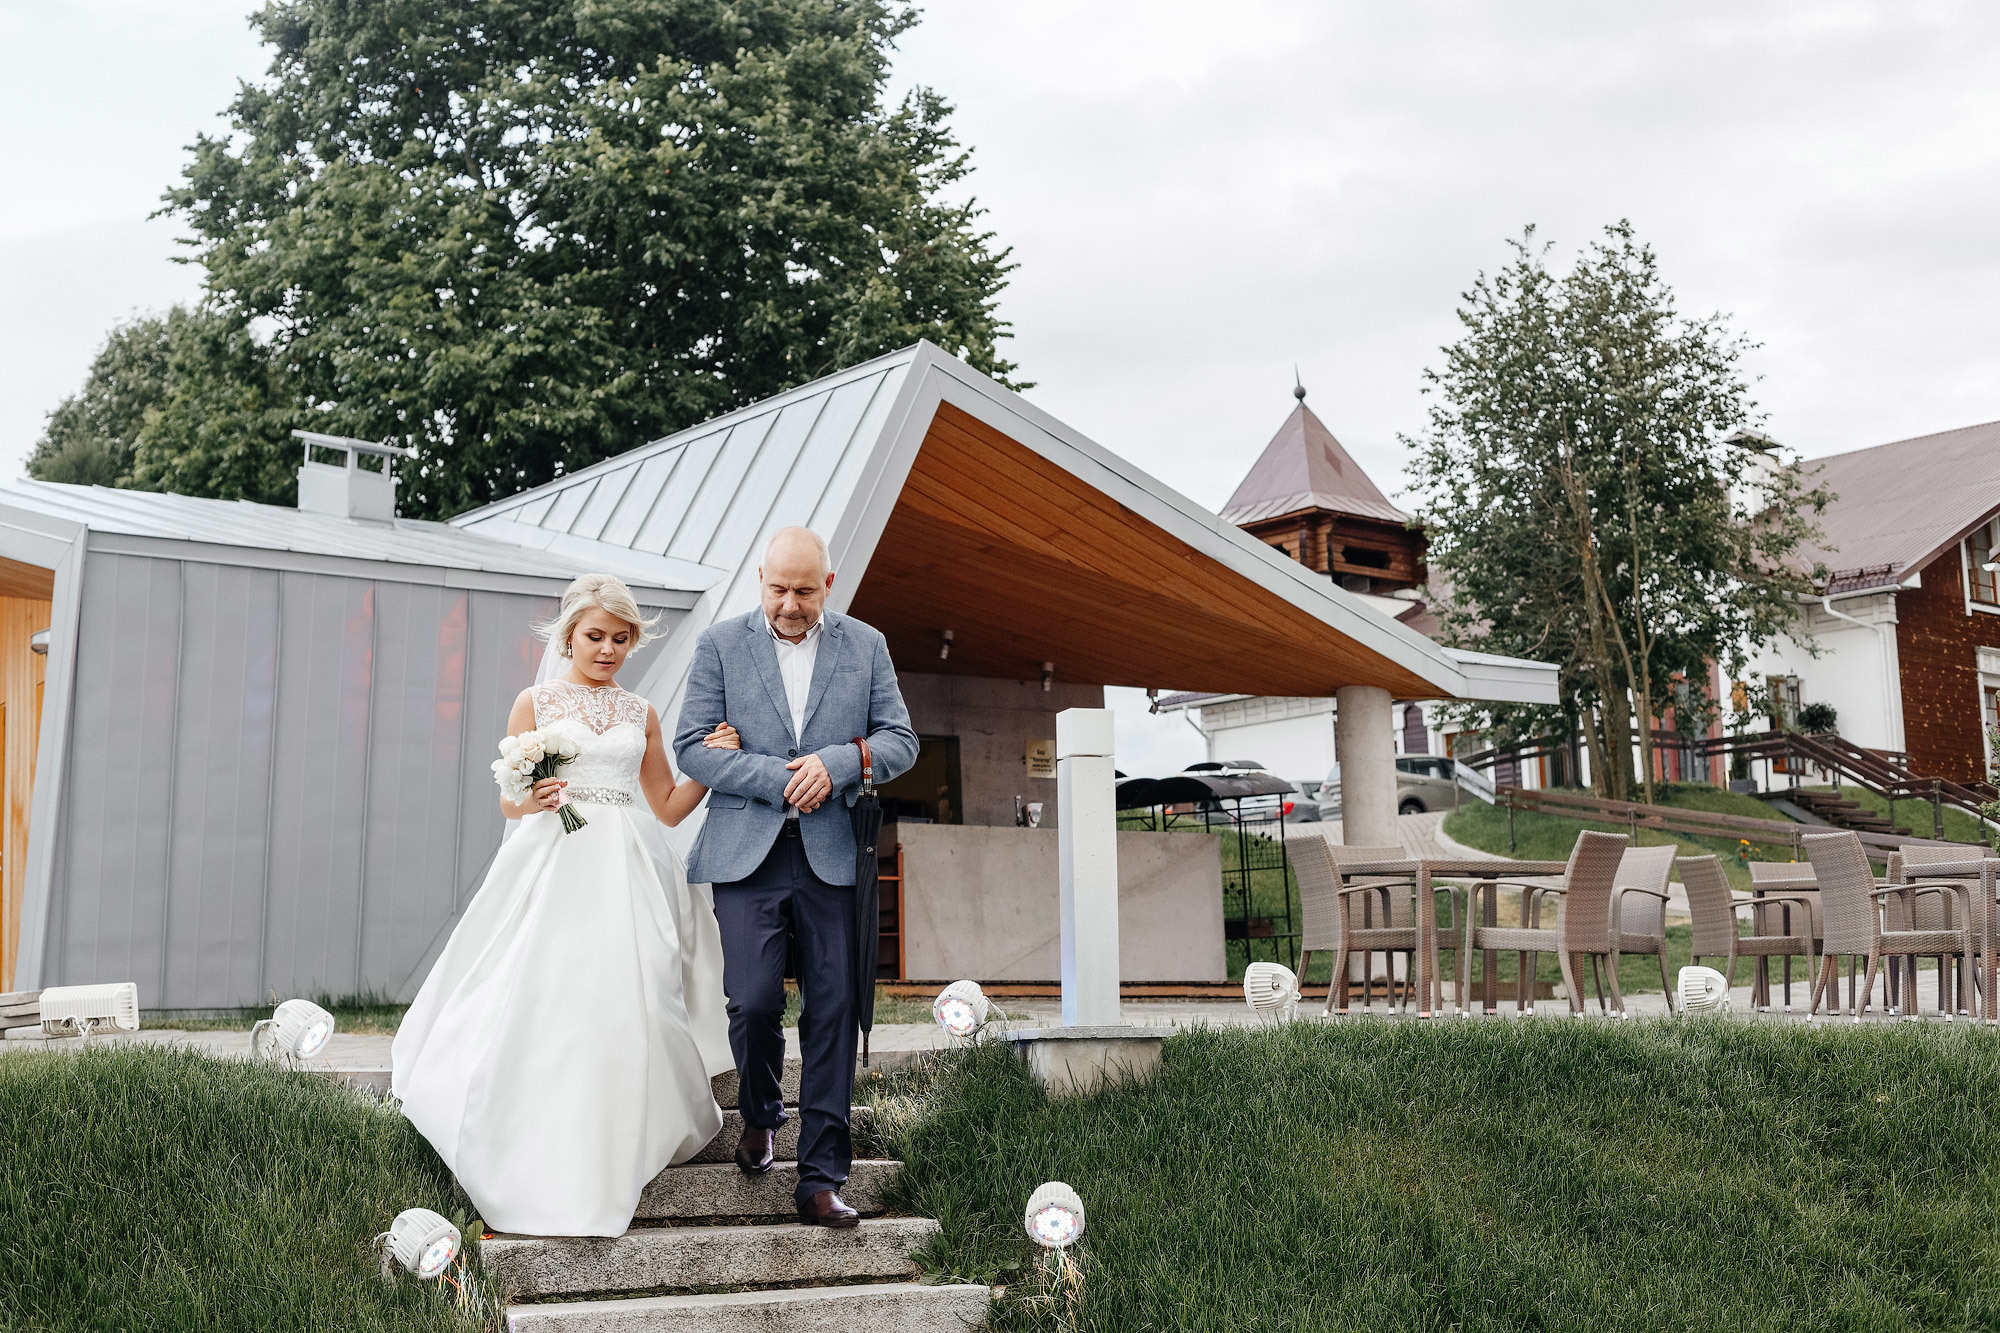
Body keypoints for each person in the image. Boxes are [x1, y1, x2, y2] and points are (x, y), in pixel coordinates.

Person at [392, 573, 741, 1238]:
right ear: (569, 637)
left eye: (620, 638)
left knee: (641, 994)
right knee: (551, 990)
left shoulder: (641, 713)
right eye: (595, 636)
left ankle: (631, 1128)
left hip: (632, 864)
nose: (607, 649)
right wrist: (537, 797)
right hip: (558, 856)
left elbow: (667, 807)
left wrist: (711, 766)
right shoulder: (536, 702)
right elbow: (510, 802)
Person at [674, 527, 917, 1228]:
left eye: (804, 591)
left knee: (832, 1009)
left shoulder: (867, 645)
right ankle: (760, 1113)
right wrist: (779, 778)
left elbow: (901, 740)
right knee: (752, 1002)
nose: (788, 604)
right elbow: (691, 747)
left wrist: (838, 764)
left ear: (828, 586)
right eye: (777, 588)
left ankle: (821, 1177)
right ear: (760, 578)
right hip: (744, 853)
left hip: (835, 857)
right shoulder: (720, 644)